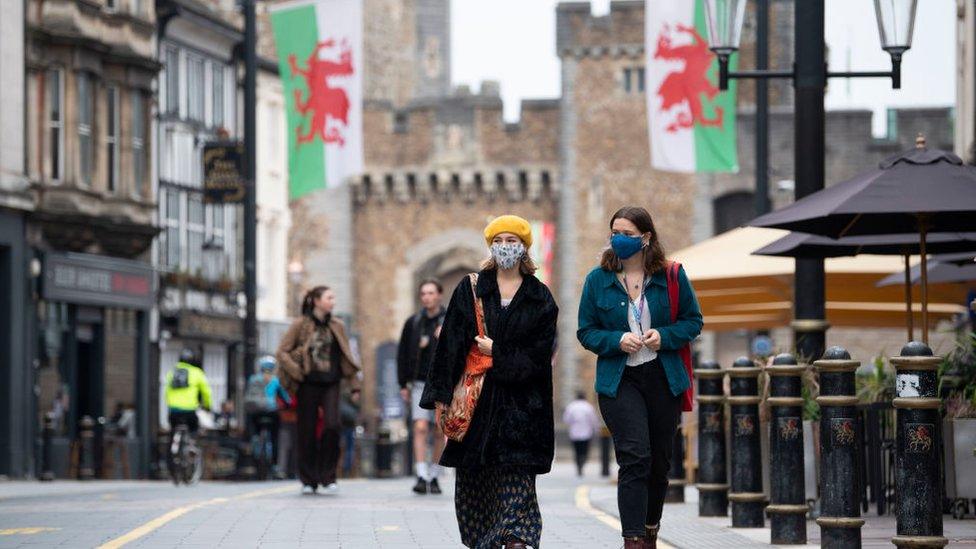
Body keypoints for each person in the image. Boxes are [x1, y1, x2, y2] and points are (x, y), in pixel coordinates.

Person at [421, 215, 559, 549]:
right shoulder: (471, 289)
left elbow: (538, 357)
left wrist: (498, 351)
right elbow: (450, 345)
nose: (505, 248)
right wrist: (440, 397)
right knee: (475, 488)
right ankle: (488, 542)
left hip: (522, 408)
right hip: (476, 408)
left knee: (517, 487)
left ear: (523, 247)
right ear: (490, 246)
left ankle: (515, 540)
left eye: (512, 241)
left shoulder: (540, 298)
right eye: (499, 241)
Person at [577, 206, 703, 549]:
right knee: (634, 456)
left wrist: (665, 336)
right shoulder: (597, 280)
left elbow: (693, 322)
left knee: (660, 463)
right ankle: (632, 540)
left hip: (663, 377)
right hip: (620, 380)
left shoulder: (672, 275)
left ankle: (649, 530)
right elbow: (586, 332)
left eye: (628, 234)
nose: (619, 239)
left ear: (646, 238)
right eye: (614, 232)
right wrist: (616, 340)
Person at [277, 286, 362, 495]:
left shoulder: (337, 325)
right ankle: (308, 478)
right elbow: (282, 352)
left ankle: (328, 475)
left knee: (332, 426)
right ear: (316, 301)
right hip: (307, 384)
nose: (333, 301)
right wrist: (296, 371)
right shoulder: (300, 325)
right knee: (306, 430)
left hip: (331, 383)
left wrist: (354, 386)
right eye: (329, 297)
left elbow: (345, 357)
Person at [397, 278, 447, 495]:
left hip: (443, 382)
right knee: (419, 426)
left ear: (439, 295)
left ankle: (434, 474)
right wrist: (403, 383)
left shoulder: (450, 320)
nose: (427, 297)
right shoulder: (413, 322)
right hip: (418, 381)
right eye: (423, 293)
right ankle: (420, 473)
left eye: (431, 293)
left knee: (439, 429)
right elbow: (403, 353)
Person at [245, 356, 292, 474]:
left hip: (256, 412)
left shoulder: (253, 378)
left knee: (254, 429)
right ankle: (275, 464)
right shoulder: (275, 380)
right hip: (271, 411)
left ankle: (255, 442)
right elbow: (285, 398)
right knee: (274, 436)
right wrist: (287, 405)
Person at [165, 348, 213, 435]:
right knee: (193, 431)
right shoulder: (197, 372)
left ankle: (173, 445)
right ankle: (190, 445)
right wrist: (207, 405)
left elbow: (167, 391)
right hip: (189, 410)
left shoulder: (172, 373)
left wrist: (170, 404)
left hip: (174, 410)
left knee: (173, 432)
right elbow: (206, 392)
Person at [562, 391, 601, 477]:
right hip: (586, 433)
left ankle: (578, 464)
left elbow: (566, 419)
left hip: (574, 433)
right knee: (585, 451)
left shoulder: (571, 406)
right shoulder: (588, 407)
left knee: (577, 451)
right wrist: (596, 430)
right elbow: (593, 420)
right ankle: (582, 462)